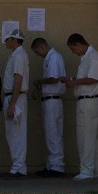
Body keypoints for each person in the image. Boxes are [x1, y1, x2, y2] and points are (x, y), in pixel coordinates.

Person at [63, 33, 98, 181]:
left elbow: (94, 78)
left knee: (87, 137)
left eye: (74, 49)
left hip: (89, 101)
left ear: (79, 44)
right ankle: (92, 169)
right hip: (83, 99)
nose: (74, 52)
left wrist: (74, 83)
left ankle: (87, 170)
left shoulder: (94, 56)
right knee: (87, 136)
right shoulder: (85, 58)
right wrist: (73, 80)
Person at [31, 37, 67, 177]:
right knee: (50, 133)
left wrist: (39, 80)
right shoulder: (50, 58)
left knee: (54, 133)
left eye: (37, 52)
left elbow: (53, 78)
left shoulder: (54, 58)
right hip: (48, 99)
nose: (37, 55)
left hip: (53, 100)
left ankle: (57, 165)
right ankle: (52, 163)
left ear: (41, 47)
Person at [2, 28, 30, 179]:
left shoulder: (19, 55)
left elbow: (18, 79)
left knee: (17, 133)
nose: (6, 42)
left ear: (14, 40)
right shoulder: (16, 55)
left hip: (16, 97)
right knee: (12, 133)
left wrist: (13, 103)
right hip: (13, 96)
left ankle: (19, 167)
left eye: (8, 39)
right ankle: (17, 166)